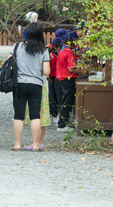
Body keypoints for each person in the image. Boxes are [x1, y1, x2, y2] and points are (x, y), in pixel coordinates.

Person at [10, 22, 50, 152]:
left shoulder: (17, 47)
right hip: (36, 85)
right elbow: (46, 71)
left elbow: (9, 62)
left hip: (19, 84)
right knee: (35, 116)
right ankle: (35, 145)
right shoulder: (43, 51)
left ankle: (17, 144)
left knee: (18, 115)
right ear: (40, 35)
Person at [55, 31, 86, 132]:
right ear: (71, 42)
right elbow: (71, 69)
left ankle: (63, 122)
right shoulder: (69, 53)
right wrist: (82, 71)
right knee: (66, 102)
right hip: (66, 80)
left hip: (59, 78)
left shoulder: (62, 51)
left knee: (62, 102)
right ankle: (62, 125)